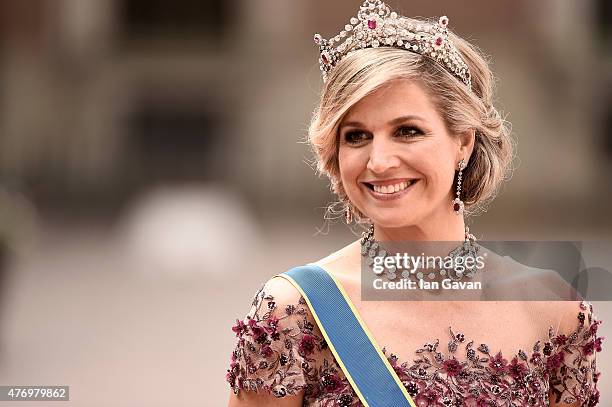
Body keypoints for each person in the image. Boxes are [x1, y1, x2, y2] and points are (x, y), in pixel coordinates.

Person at [226, 1, 604, 406]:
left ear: (463, 141)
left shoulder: (552, 309)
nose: (379, 161)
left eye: (407, 131)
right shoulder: (293, 313)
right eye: (356, 136)